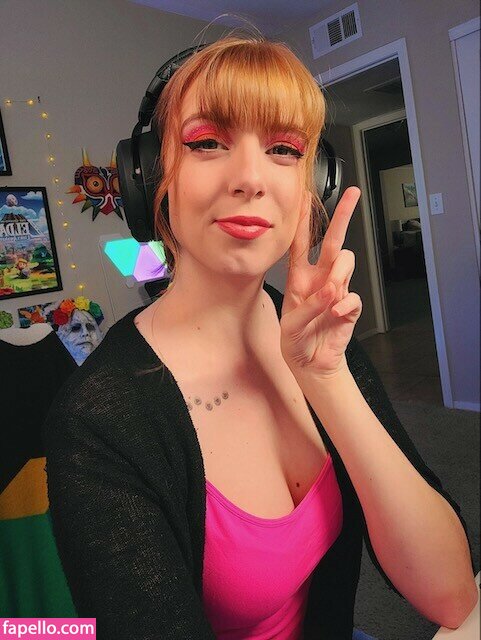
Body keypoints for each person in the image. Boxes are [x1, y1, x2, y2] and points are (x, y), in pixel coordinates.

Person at [43, 34, 478, 640]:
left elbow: (452, 594)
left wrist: (326, 379)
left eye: (282, 149)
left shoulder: (316, 333)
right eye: (206, 142)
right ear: (149, 177)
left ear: (314, 183)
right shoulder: (99, 419)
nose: (250, 178)